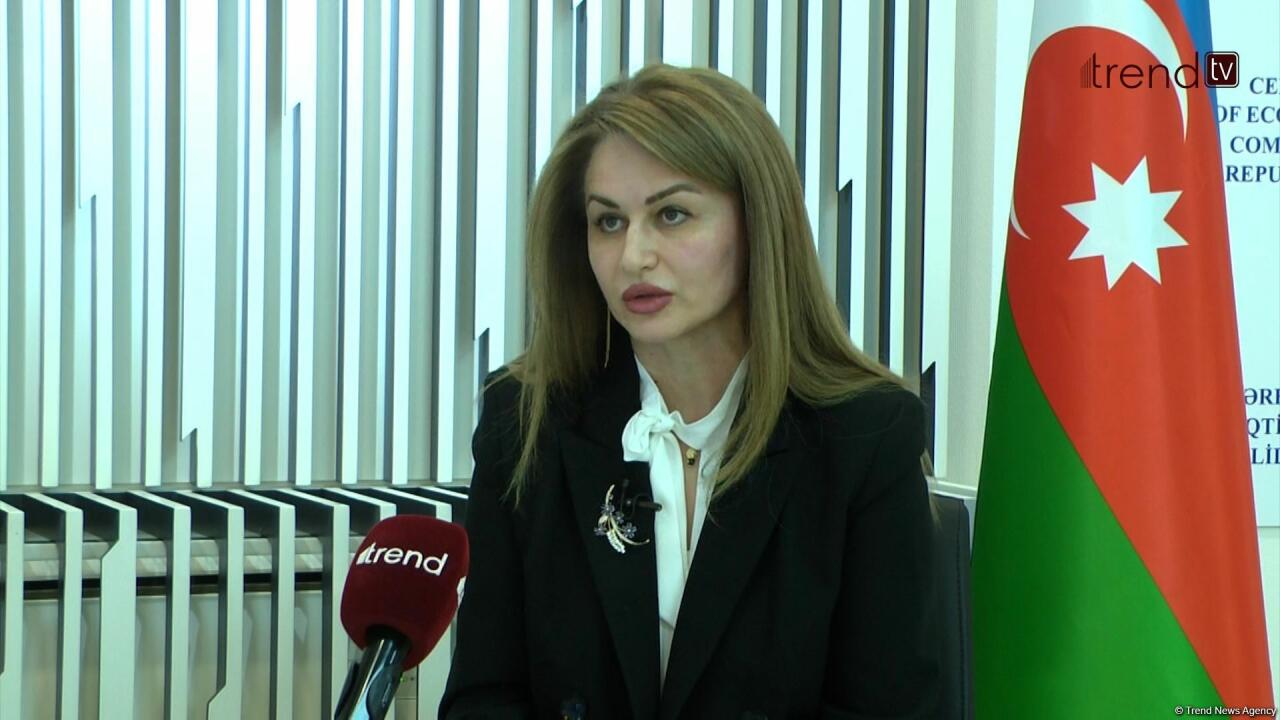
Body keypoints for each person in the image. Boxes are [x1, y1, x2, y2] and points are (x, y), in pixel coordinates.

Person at [441, 64, 939, 720]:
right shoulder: (526, 418)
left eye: (671, 214)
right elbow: (483, 698)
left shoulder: (865, 436)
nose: (633, 256)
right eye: (608, 222)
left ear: (756, 223)